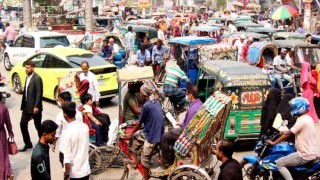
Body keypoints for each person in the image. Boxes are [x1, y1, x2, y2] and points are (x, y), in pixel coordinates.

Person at [267, 97, 318, 180]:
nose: (291, 109)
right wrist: (284, 131)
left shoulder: (301, 120)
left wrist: (273, 143)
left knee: (280, 163)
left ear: (298, 107)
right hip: (311, 152)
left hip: (304, 155)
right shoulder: (308, 118)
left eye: (293, 107)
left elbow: (287, 135)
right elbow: (292, 131)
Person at [125, 83, 164, 180]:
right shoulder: (155, 101)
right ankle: (134, 161)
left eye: (141, 94)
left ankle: (145, 178)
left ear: (143, 95)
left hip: (152, 135)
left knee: (144, 159)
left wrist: (130, 133)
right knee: (135, 138)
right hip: (156, 131)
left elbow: (139, 124)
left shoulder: (147, 105)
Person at [161, 86, 202, 168]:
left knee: (165, 137)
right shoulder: (200, 104)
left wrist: (182, 126)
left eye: (187, 94)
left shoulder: (192, 109)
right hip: (191, 130)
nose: (186, 96)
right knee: (172, 133)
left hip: (188, 134)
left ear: (190, 95)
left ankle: (165, 162)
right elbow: (188, 123)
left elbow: (187, 128)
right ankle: (172, 158)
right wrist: (181, 123)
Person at [61, 102, 90, 180]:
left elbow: (67, 160)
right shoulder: (85, 127)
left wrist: (66, 175)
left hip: (74, 174)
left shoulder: (66, 132)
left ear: (65, 115)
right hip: (86, 171)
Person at [52, 92, 83, 166]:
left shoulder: (60, 115)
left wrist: (54, 143)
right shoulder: (78, 114)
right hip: (77, 145)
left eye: (60, 101)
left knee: (66, 165)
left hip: (65, 146)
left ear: (65, 101)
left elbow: (58, 132)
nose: (60, 103)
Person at [19, 60, 43, 152]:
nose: (26, 69)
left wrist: (37, 106)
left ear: (33, 68)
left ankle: (42, 144)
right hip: (26, 106)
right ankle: (28, 143)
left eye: (28, 67)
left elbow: (39, 94)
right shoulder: (27, 77)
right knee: (22, 124)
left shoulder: (37, 78)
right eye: (25, 67)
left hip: (34, 107)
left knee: (38, 126)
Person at [0, 96, 14, 180]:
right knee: (4, 155)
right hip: (2, 133)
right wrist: (11, 133)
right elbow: (8, 123)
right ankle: (8, 172)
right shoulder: (4, 108)